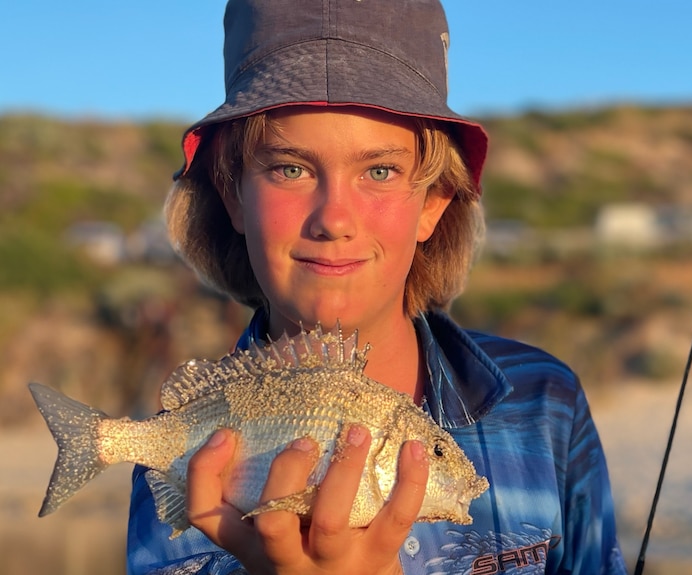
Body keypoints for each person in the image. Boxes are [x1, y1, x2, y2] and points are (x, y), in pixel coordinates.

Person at [126, 0, 628, 573]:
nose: (334, 218)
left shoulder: (545, 405)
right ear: (231, 194)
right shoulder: (187, 457)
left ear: (433, 203)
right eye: (290, 168)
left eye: (380, 171)